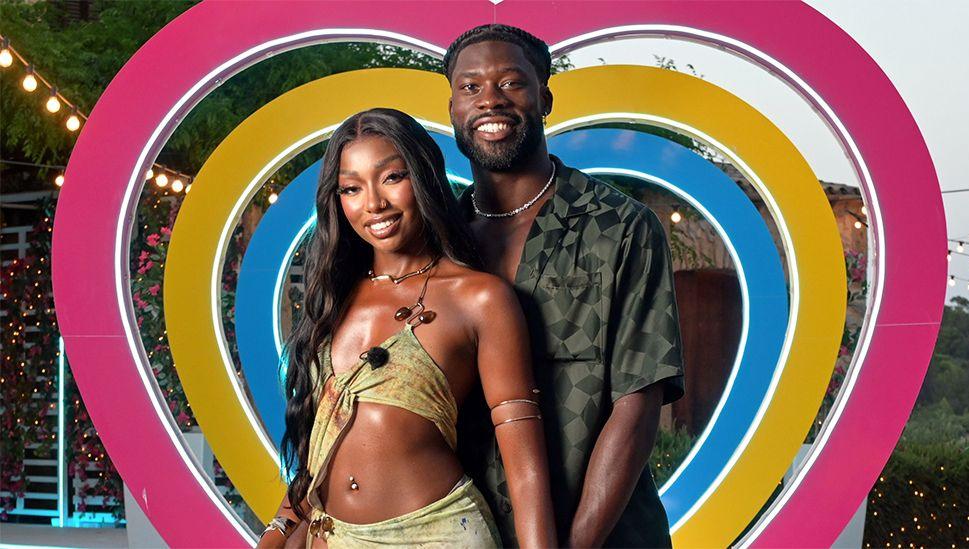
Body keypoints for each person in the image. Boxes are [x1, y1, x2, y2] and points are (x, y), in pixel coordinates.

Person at [257, 108, 556, 548]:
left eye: (391, 177)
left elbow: (524, 462)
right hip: (329, 537)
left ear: (425, 178)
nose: (373, 203)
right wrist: (278, 530)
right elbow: (319, 441)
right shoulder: (332, 300)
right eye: (351, 188)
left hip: (437, 535)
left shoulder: (479, 298)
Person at [445, 25, 686, 547]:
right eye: (470, 87)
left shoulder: (621, 226)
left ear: (544, 98)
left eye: (511, 83)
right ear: (452, 110)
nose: (490, 99)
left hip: (604, 535)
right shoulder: (439, 243)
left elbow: (637, 404)